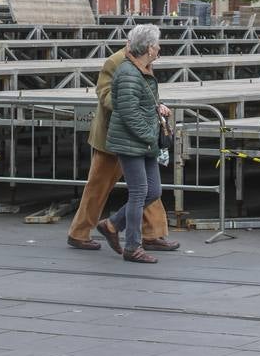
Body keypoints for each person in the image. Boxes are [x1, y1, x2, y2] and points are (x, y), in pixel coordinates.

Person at [67, 40, 178, 254]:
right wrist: (133, 107)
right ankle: (79, 233)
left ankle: (152, 233)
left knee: (145, 188)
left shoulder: (142, 61)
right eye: (154, 46)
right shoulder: (117, 61)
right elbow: (106, 94)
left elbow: (146, 93)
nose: (157, 51)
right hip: (113, 135)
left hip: (132, 135)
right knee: (100, 186)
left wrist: (153, 106)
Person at [102, 24, 171, 263]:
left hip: (142, 142)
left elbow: (137, 105)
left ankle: (112, 224)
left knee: (153, 191)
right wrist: (149, 134)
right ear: (150, 48)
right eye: (157, 45)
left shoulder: (141, 69)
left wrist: (157, 109)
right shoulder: (130, 72)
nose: (159, 48)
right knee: (140, 192)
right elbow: (128, 111)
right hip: (133, 142)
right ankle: (132, 246)